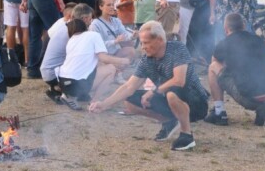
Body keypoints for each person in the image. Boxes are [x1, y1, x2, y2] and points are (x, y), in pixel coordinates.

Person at [89, 21, 209, 151]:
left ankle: (187, 136)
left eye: (146, 43)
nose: (142, 47)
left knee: (172, 92)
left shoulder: (177, 48)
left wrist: (154, 90)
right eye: (141, 43)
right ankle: (169, 121)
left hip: (196, 103)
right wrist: (104, 104)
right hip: (170, 101)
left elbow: (179, 80)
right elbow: (129, 87)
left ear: (159, 40)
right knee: (130, 101)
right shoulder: (147, 60)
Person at [207, 13, 265, 126]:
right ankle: (262, 107)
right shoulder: (258, 40)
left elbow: (215, 62)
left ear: (226, 29)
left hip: (250, 99)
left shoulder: (225, 43)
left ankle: (219, 112)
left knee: (213, 67)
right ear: (244, 26)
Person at [58, 18, 128, 110]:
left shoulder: (71, 40)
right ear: (85, 27)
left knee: (102, 67)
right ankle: (94, 101)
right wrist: (123, 61)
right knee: (111, 69)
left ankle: (69, 95)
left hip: (63, 83)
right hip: (77, 85)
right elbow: (103, 58)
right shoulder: (94, 35)